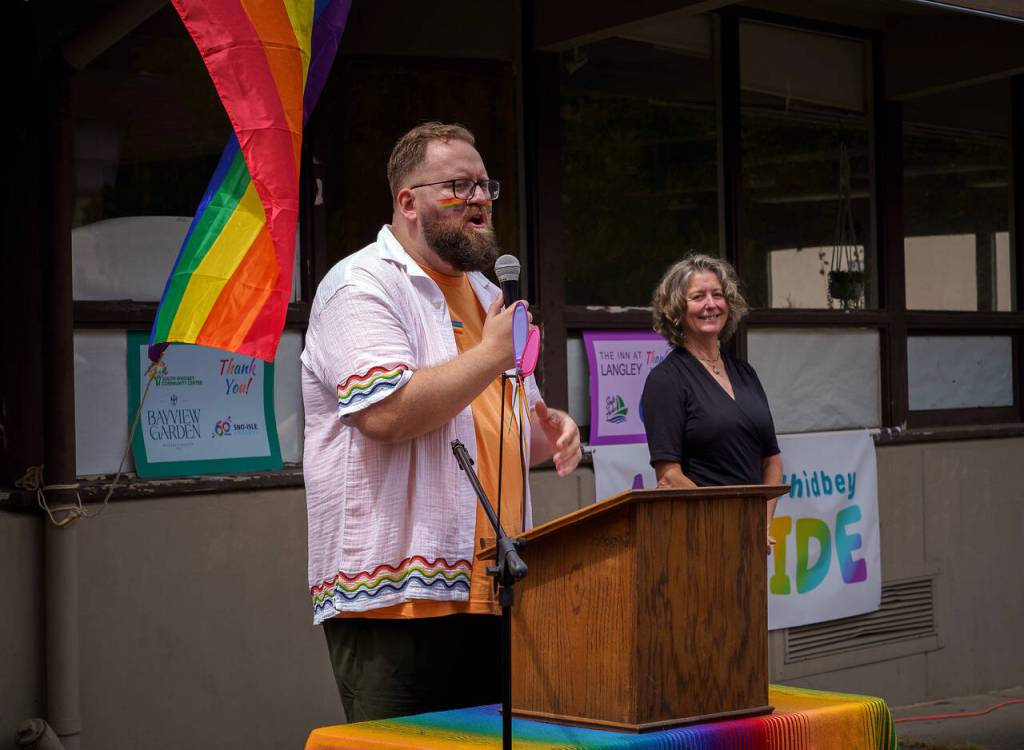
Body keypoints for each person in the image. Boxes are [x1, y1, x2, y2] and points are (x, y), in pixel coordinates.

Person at [301, 122, 582, 722]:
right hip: (397, 603)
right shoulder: (360, 285)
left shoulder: (488, 296)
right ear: (408, 203)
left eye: (485, 186)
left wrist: (551, 427)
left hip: (493, 592)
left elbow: (509, 430)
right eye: (459, 185)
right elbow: (383, 412)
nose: (479, 198)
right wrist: (491, 354)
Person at [640, 254, 782, 551]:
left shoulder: (745, 373)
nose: (710, 304)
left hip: (749, 537)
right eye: (698, 296)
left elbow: (771, 460)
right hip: (699, 540)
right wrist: (730, 525)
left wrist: (760, 524)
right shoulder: (666, 380)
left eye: (718, 295)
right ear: (677, 310)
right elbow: (669, 475)